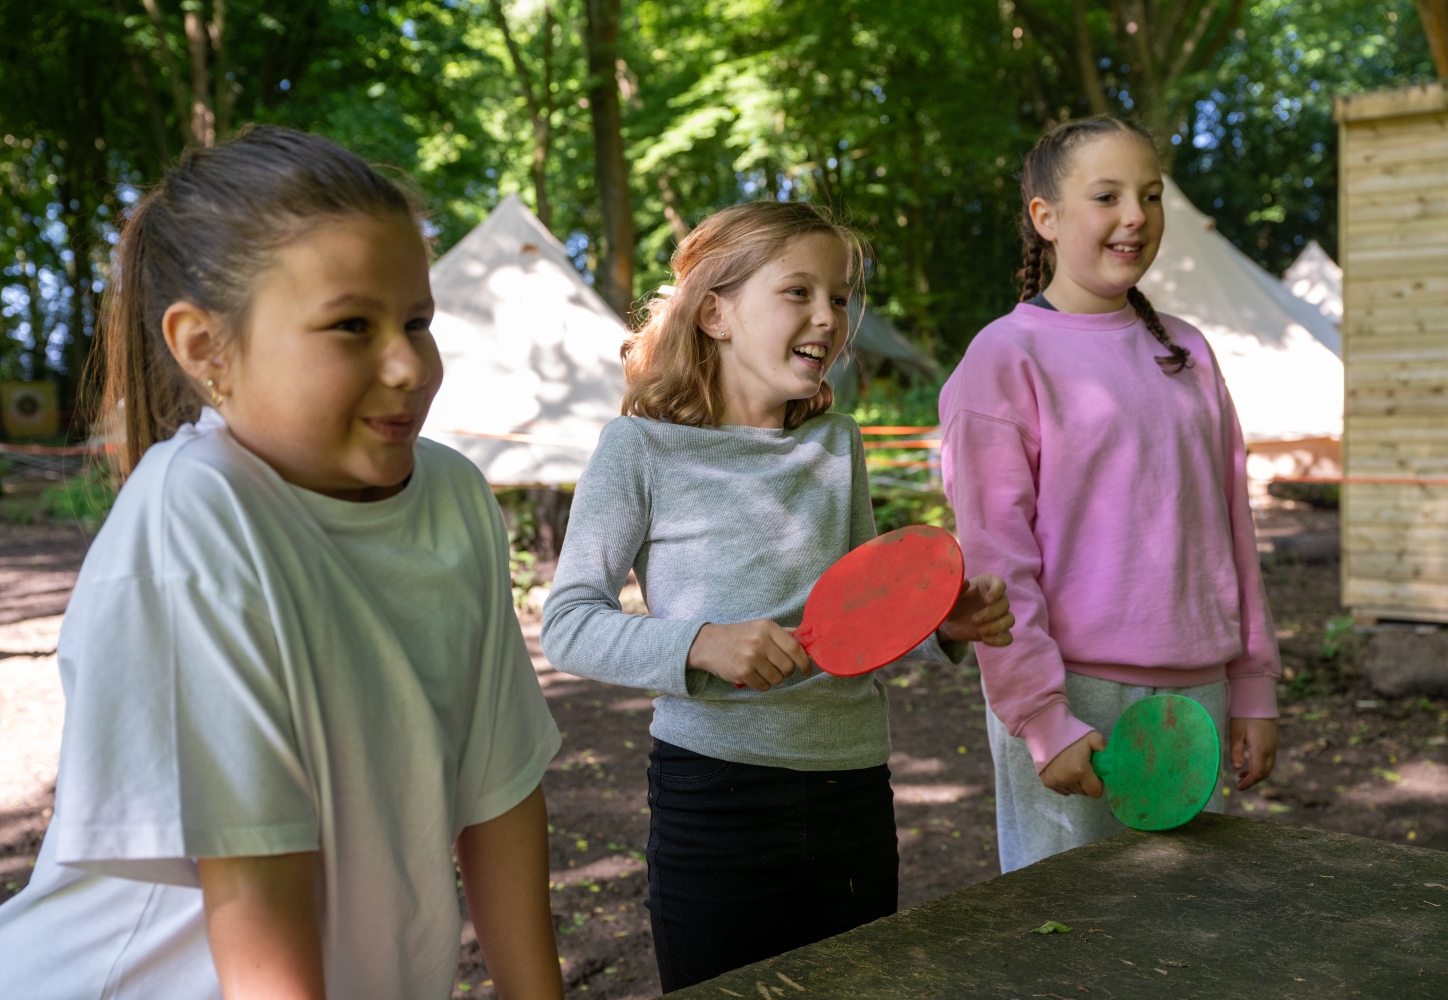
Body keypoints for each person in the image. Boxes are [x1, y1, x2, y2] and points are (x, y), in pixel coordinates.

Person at [0, 127, 564, 1000]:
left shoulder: (454, 496)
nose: (407, 364)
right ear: (206, 349)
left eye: (418, 322)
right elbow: (253, 894)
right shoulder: (196, 514)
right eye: (351, 325)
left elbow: (499, 795)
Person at [541, 200, 1015, 991]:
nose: (828, 317)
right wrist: (699, 643)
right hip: (713, 797)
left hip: (852, 790)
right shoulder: (640, 449)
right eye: (799, 292)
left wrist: (940, 625)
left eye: (837, 296)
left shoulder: (838, 443)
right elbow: (567, 622)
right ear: (717, 312)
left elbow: (860, 614)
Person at [940, 116, 1280, 874]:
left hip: (1200, 699)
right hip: (1072, 701)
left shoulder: (1188, 350)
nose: (1136, 216)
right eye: (1108, 196)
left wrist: (1253, 685)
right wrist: (1040, 716)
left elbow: (1232, 529)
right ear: (1045, 218)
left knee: (1187, 934)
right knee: (1070, 945)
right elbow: (997, 563)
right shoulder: (1006, 356)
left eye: (1151, 196)